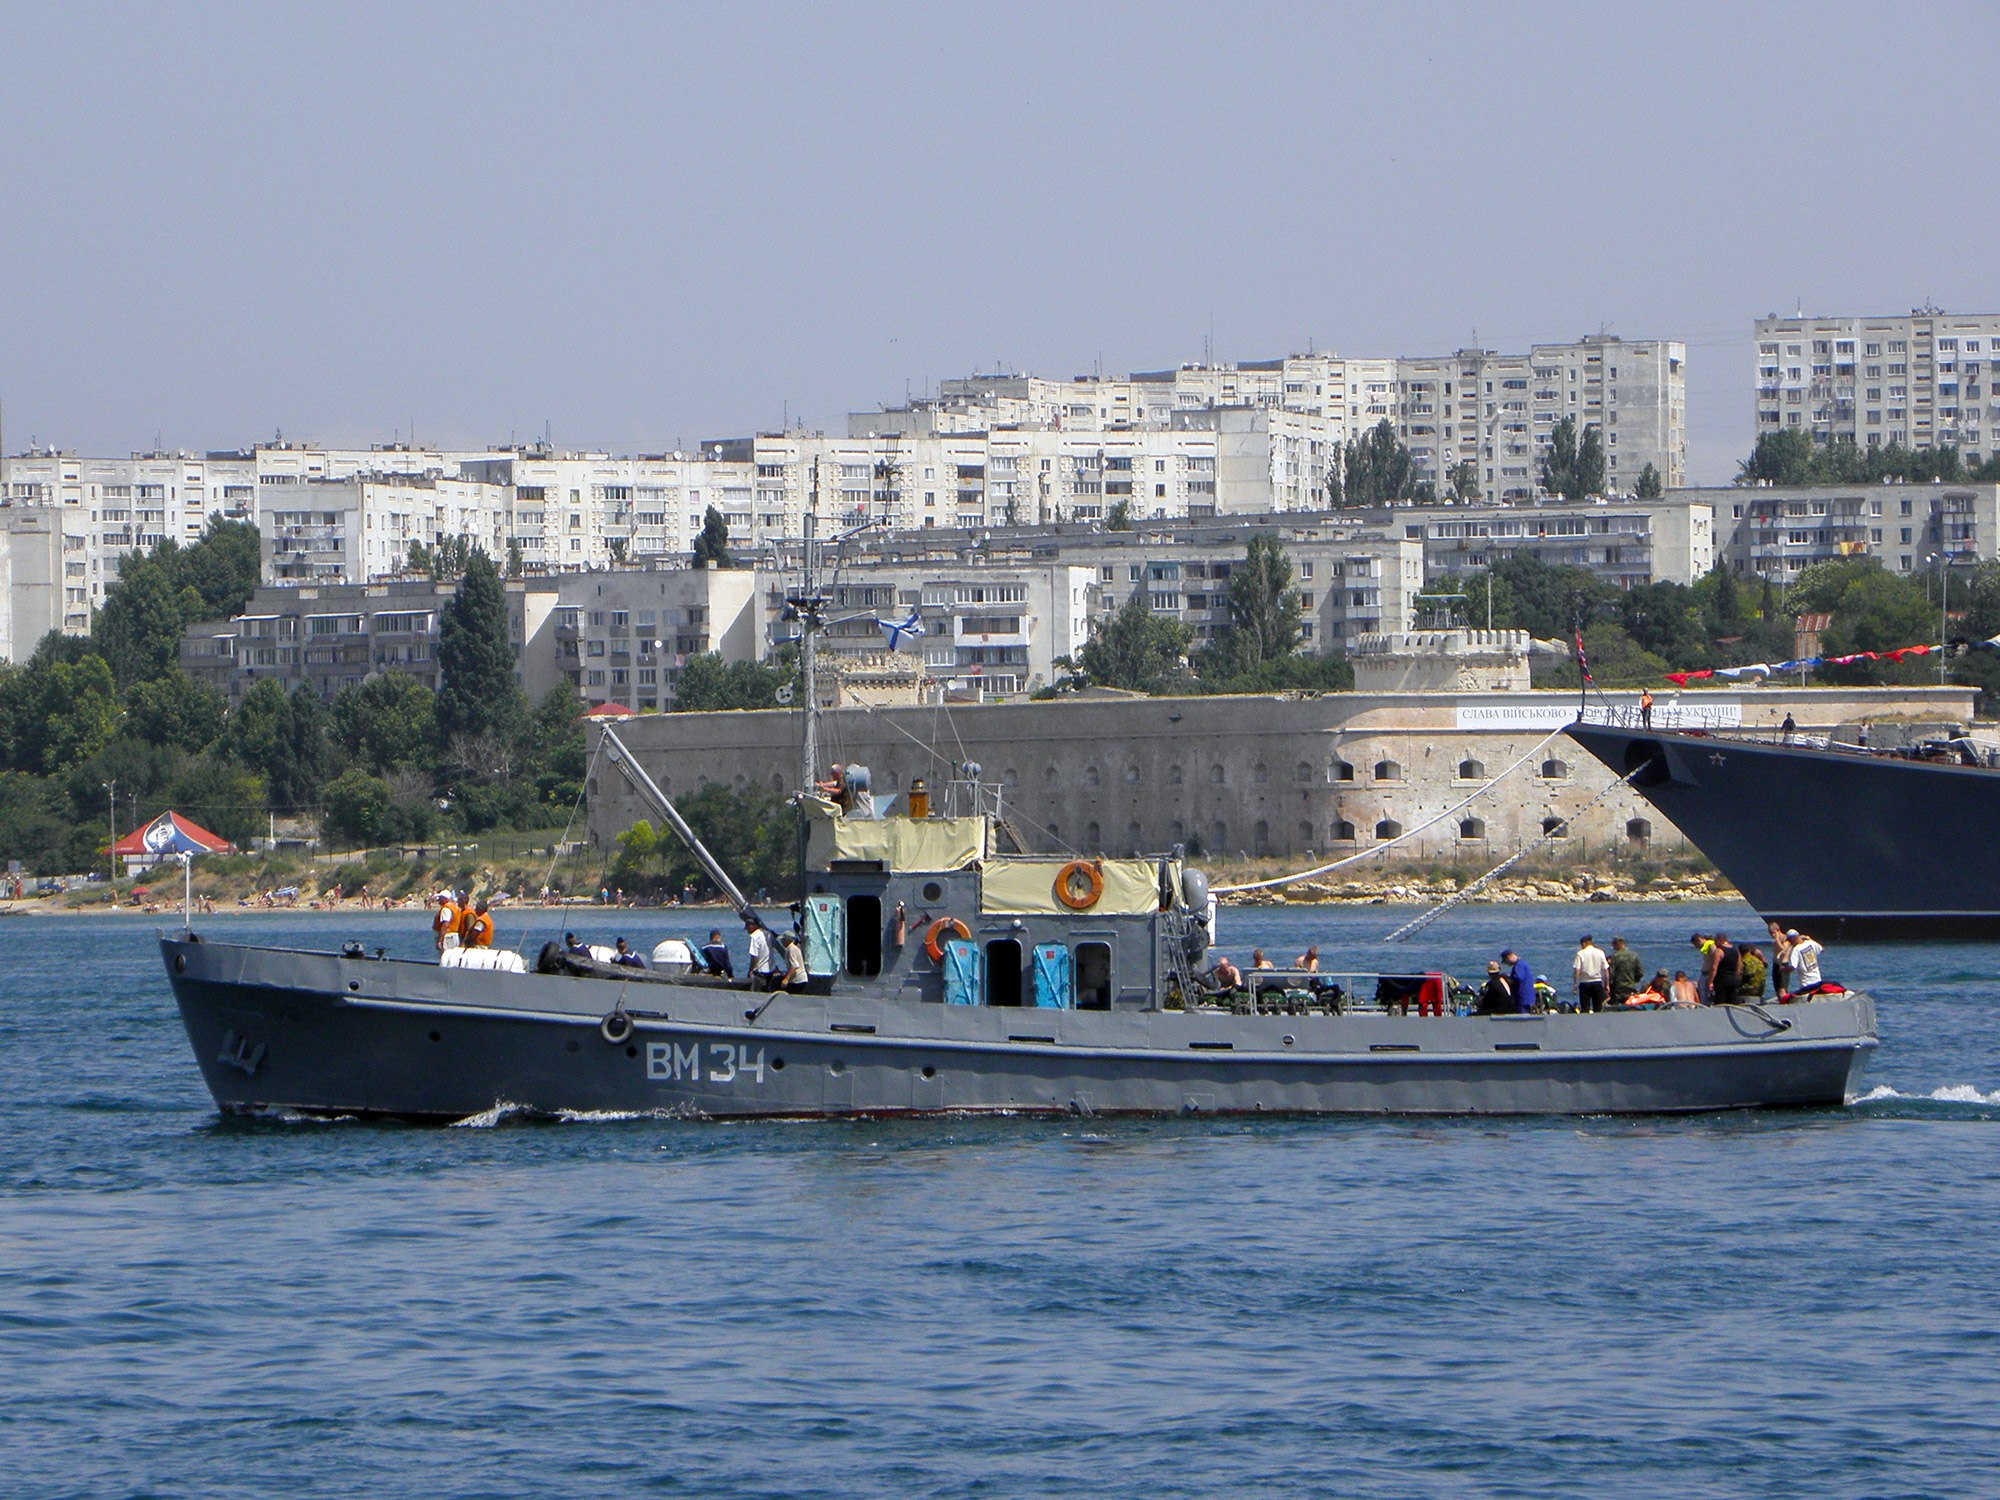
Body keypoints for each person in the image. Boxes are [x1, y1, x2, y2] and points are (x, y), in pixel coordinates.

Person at [1573, 934, 1609, 1013]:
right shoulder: (1600, 952)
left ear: (1584, 943)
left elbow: (1577, 969)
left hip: (1584, 983)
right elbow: (1606, 970)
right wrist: (1606, 985)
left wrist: (1575, 984)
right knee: (1598, 1008)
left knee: (1585, 1008)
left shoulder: (1580, 953)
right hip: (1597, 982)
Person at [1785, 929, 1824, 998]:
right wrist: (1809, 939)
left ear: (1792, 939)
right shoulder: (1810, 943)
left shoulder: (1796, 950)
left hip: (1806, 983)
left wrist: (1783, 969)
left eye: (1789, 941)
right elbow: (1822, 949)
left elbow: (1793, 967)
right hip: (1818, 980)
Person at [1607, 936, 1643, 1008]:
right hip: (1631, 988)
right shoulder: (1634, 956)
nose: (1612, 946)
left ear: (1618, 943)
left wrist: (1608, 987)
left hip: (1618, 990)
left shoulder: (1614, 956)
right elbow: (1640, 973)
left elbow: (1611, 974)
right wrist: (1633, 981)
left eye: (1613, 944)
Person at [745, 914, 778, 990]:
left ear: (751, 926)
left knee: (758, 992)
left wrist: (750, 970)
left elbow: (754, 957)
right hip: (770, 970)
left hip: (760, 971)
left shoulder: (754, 937)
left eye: (747, 928)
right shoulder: (768, 934)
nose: (747, 931)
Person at [1709, 932, 1741, 1004]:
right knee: (1733, 1001)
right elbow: (1739, 965)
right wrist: (1736, 976)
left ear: (1720, 940)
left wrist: (1710, 981)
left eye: (1715, 941)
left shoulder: (1719, 951)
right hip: (1733, 979)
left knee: (1720, 1001)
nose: (1715, 943)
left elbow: (1714, 967)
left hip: (1721, 980)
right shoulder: (1736, 950)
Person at [1504, 949, 1536, 1014]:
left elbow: (1518, 978)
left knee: (1522, 1018)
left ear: (1508, 957)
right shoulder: (1522, 963)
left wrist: (1508, 979)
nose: (1506, 964)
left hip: (1522, 998)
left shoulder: (1518, 965)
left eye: (1505, 961)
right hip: (1528, 998)